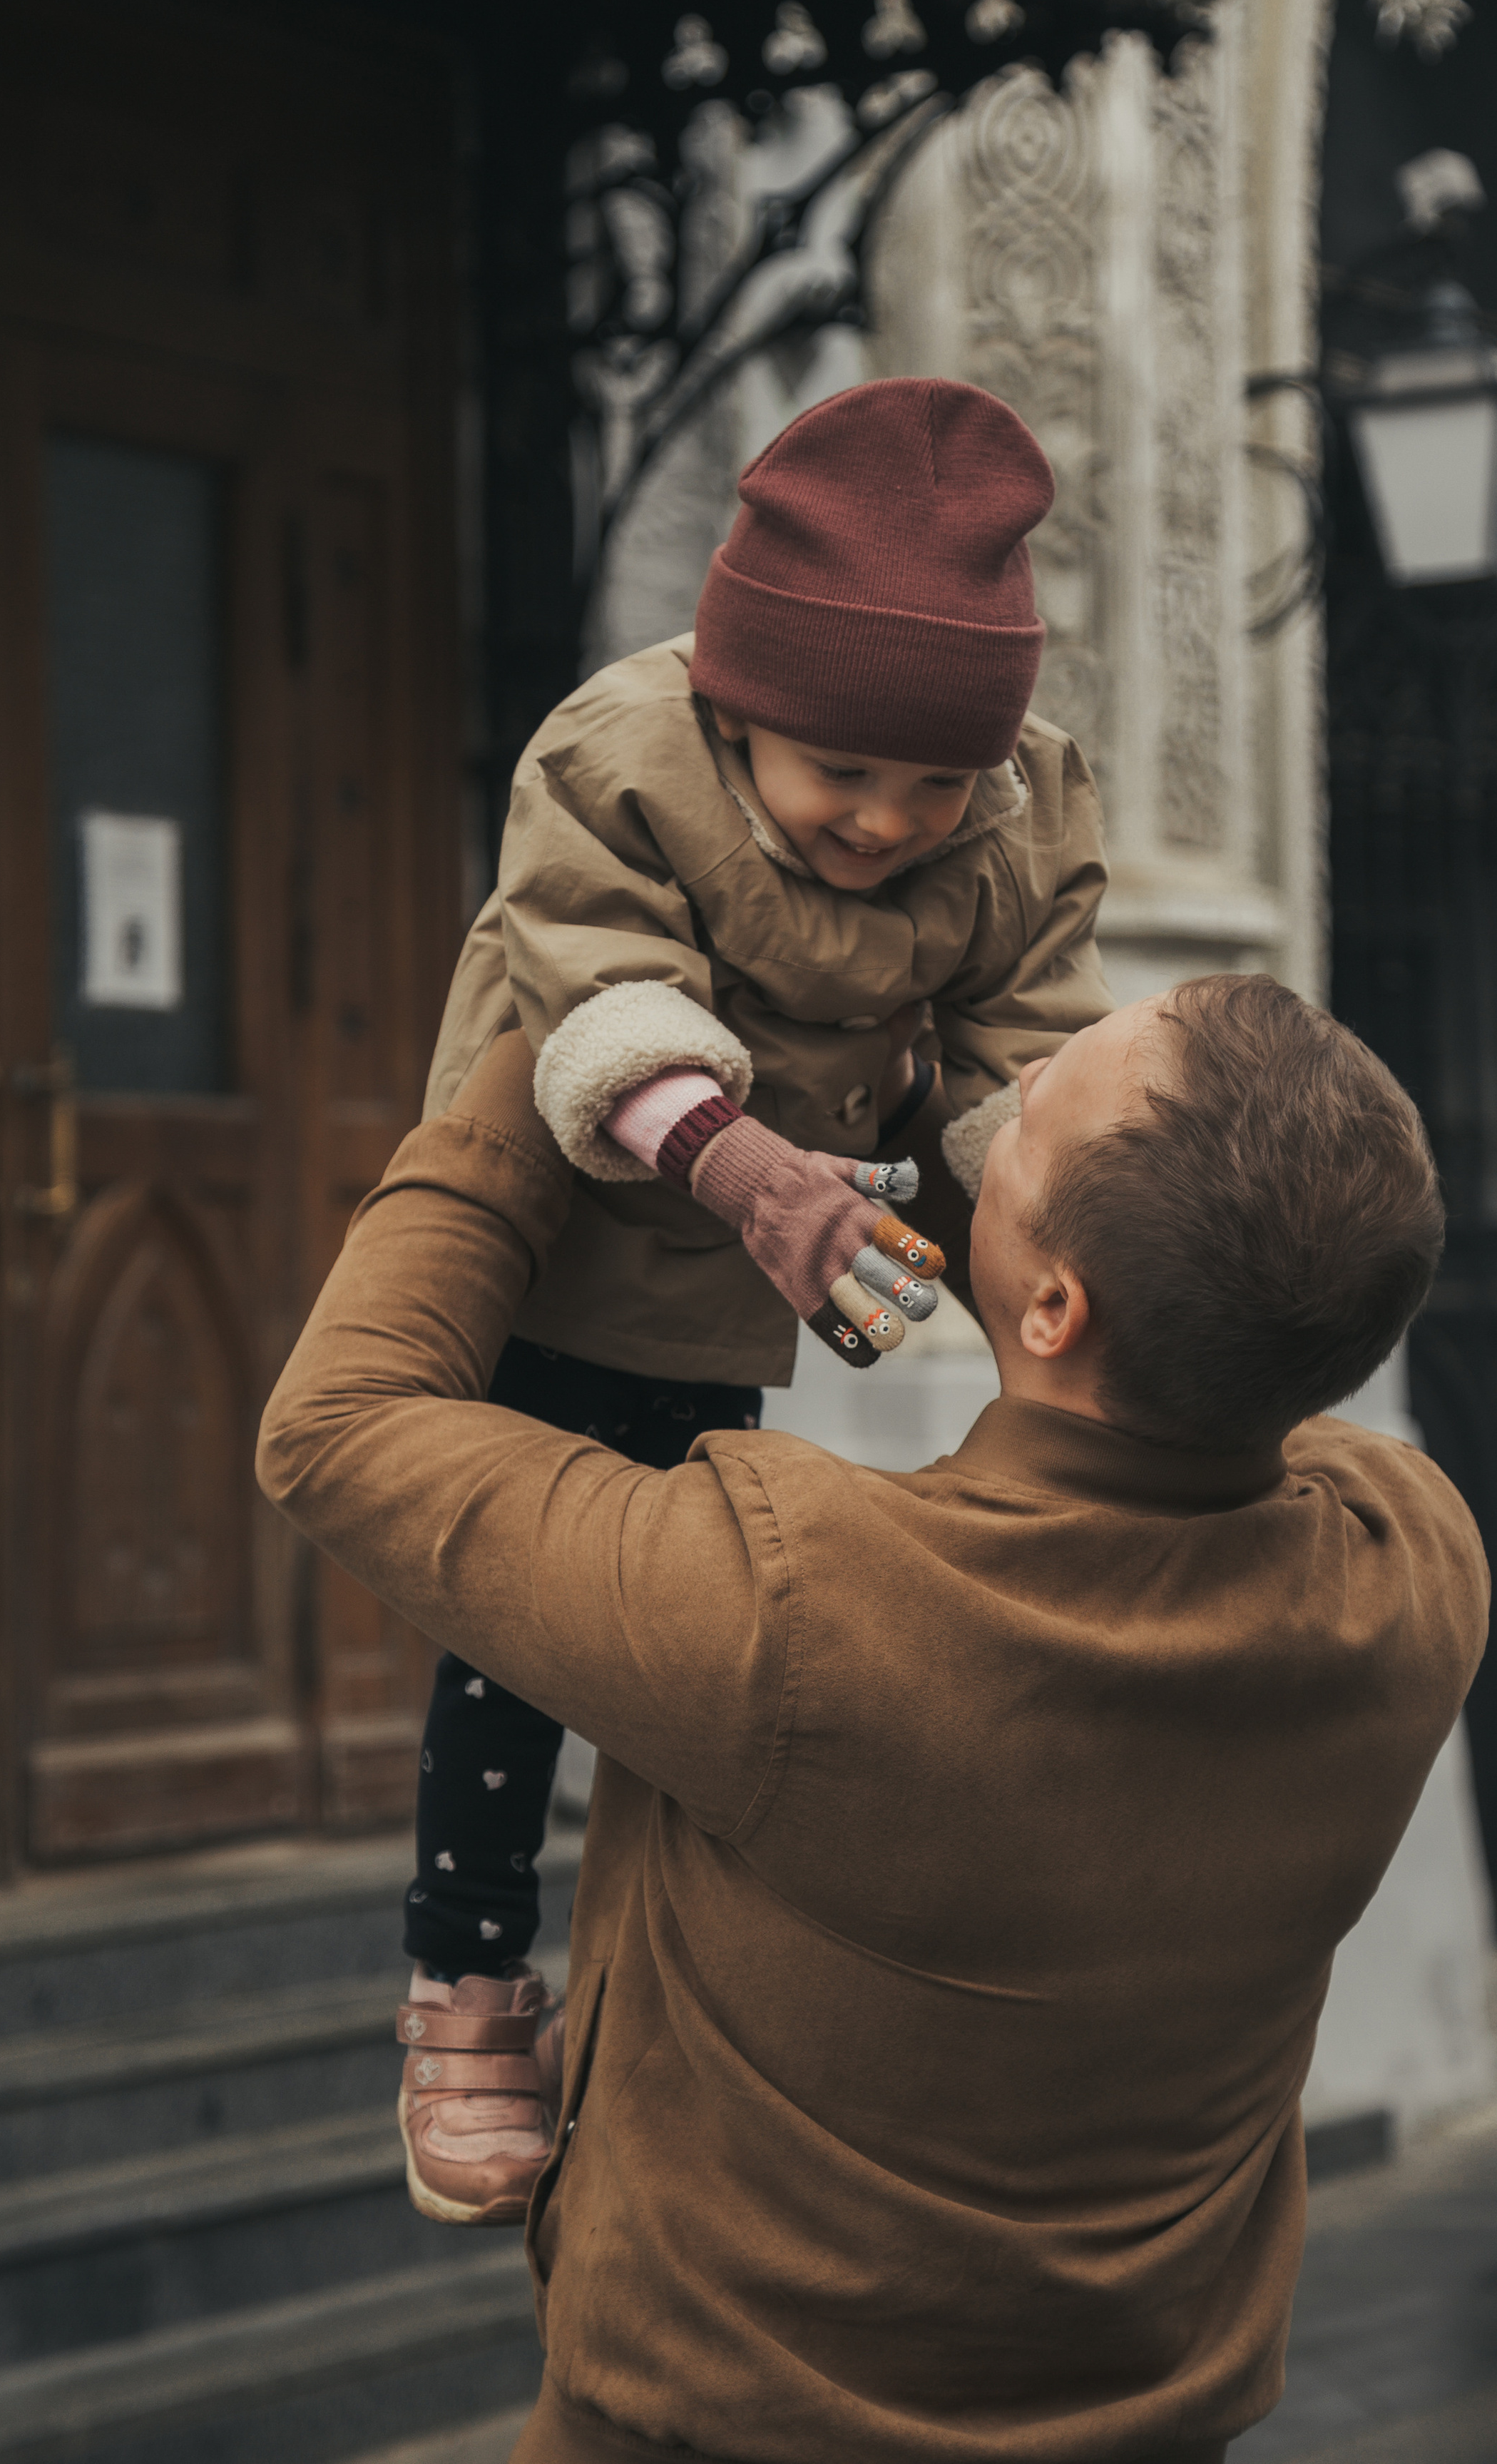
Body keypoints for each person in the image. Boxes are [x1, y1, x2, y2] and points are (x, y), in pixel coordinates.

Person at [257, 970, 1488, 2464]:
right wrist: (914, 1111)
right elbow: (1221, 1351)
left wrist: (565, 1036)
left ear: (1055, 1303)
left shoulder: (799, 1606)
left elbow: (338, 1428)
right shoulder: (1411, 1569)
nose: (1001, 1093)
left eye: (1029, 1110)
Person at [389, 377, 1112, 2221]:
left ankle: (662, 1985)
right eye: (839, 774)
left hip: (729, 1284)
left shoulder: (1020, 816)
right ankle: (464, 1984)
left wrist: (1060, 1240)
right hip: (560, 1215)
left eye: (933, 786)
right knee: (513, 1632)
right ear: (734, 703)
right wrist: (740, 1166)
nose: (884, 821)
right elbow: (598, 984)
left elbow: (1026, 1052)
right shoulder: (619, 752)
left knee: (689, 1634)